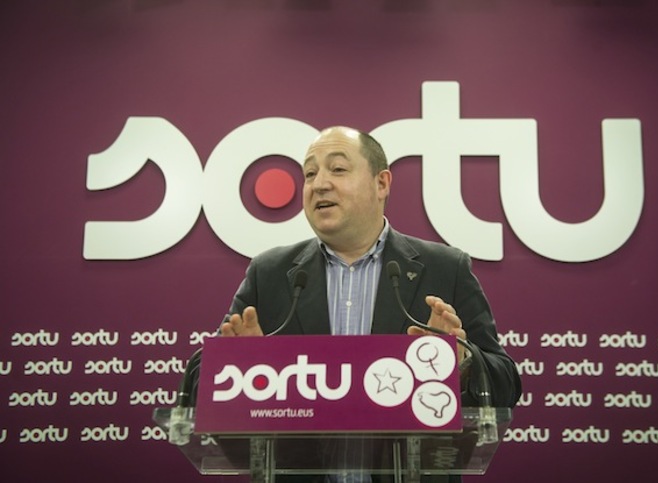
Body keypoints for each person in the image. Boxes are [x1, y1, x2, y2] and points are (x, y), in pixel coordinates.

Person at [218, 126, 521, 480]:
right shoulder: (269, 273)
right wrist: (238, 368)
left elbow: (506, 384)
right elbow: (199, 385)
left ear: (381, 183)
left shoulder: (445, 268)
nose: (319, 184)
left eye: (338, 169)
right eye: (310, 174)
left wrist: (462, 361)